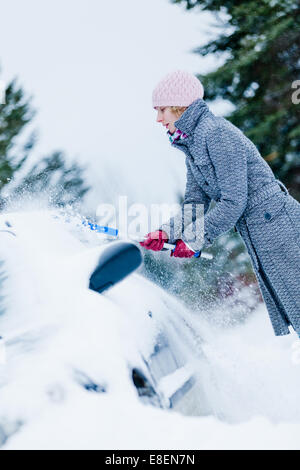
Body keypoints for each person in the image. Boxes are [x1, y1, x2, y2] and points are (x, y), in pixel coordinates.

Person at [140, 69, 300, 339]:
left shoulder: (216, 134)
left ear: (180, 107)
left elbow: (233, 202)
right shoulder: (193, 143)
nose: (158, 119)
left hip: (278, 227)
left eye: (162, 110)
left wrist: (193, 240)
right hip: (262, 230)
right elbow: (194, 203)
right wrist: (166, 233)